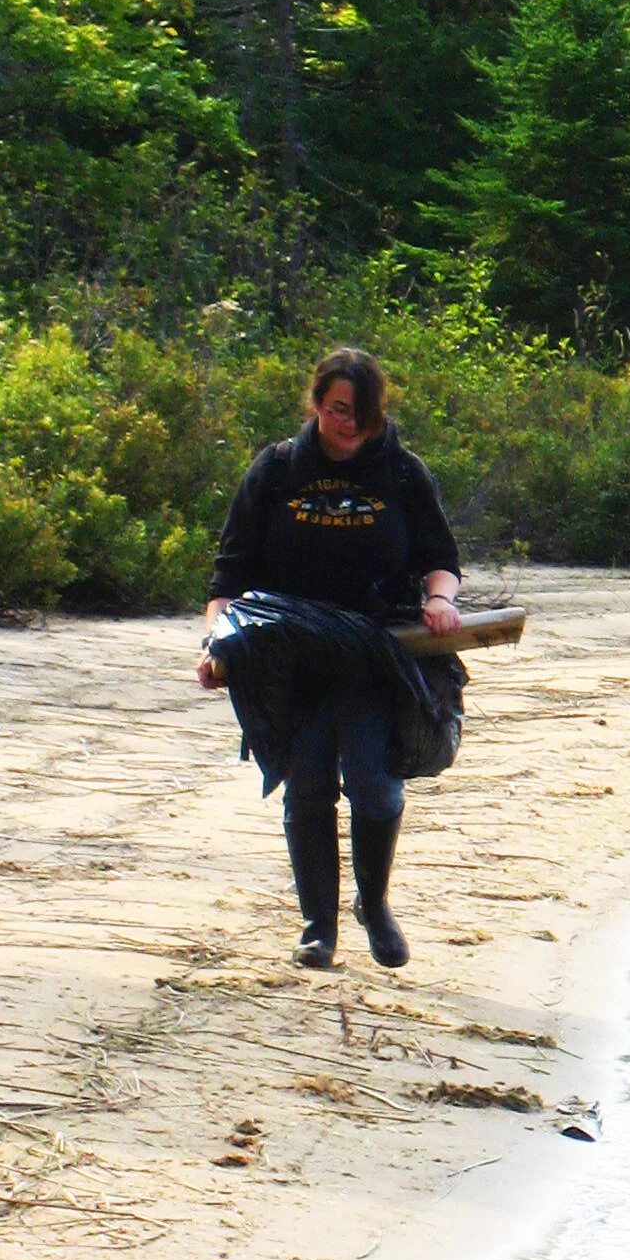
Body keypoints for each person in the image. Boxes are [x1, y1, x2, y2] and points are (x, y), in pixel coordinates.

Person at [196, 348, 462, 969]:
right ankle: (319, 927)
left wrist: (441, 602)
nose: (351, 425)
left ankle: (374, 906)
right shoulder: (279, 470)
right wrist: (216, 643)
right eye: (340, 410)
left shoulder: (401, 473)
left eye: (363, 414)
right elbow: (227, 580)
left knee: (376, 787)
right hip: (292, 660)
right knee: (308, 784)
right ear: (317, 404)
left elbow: (440, 560)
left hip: (377, 656)